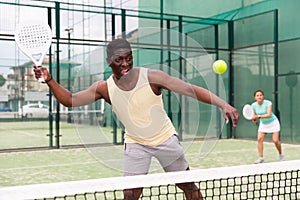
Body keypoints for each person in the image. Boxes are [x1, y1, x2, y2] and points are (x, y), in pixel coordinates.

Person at [33, 38, 239, 200]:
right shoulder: (104, 88)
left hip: (165, 139)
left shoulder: (152, 77)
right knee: (130, 195)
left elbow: (189, 89)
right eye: (119, 60)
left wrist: (223, 103)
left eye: (129, 58)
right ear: (109, 62)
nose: (125, 64)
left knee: (187, 185)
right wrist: (50, 80)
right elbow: (70, 100)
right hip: (136, 143)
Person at [251, 90, 284, 164]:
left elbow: (268, 114)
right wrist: (254, 119)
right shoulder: (253, 105)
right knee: (259, 139)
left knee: (275, 140)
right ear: (255, 97)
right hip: (263, 124)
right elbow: (254, 116)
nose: (259, 97)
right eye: (257, 95)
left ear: (263, 96)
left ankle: (281, 154)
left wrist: (258, 116)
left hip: (273, 122)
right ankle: (261, 158)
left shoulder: (268, 103)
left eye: (261, 95)